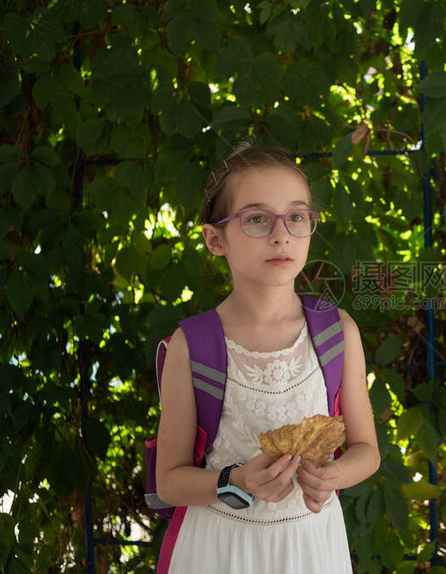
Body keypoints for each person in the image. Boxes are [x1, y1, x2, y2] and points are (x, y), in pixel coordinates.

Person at [154, 146, 380, 572]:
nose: (282, 235)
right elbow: (169, 481)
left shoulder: (338, 333)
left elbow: (366, 451)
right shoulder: (193, 345)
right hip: (219, 550)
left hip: (310, 549)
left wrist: (334, 476)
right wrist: (235, 480)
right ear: (215, 239)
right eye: (257, 218)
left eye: (296, 216)